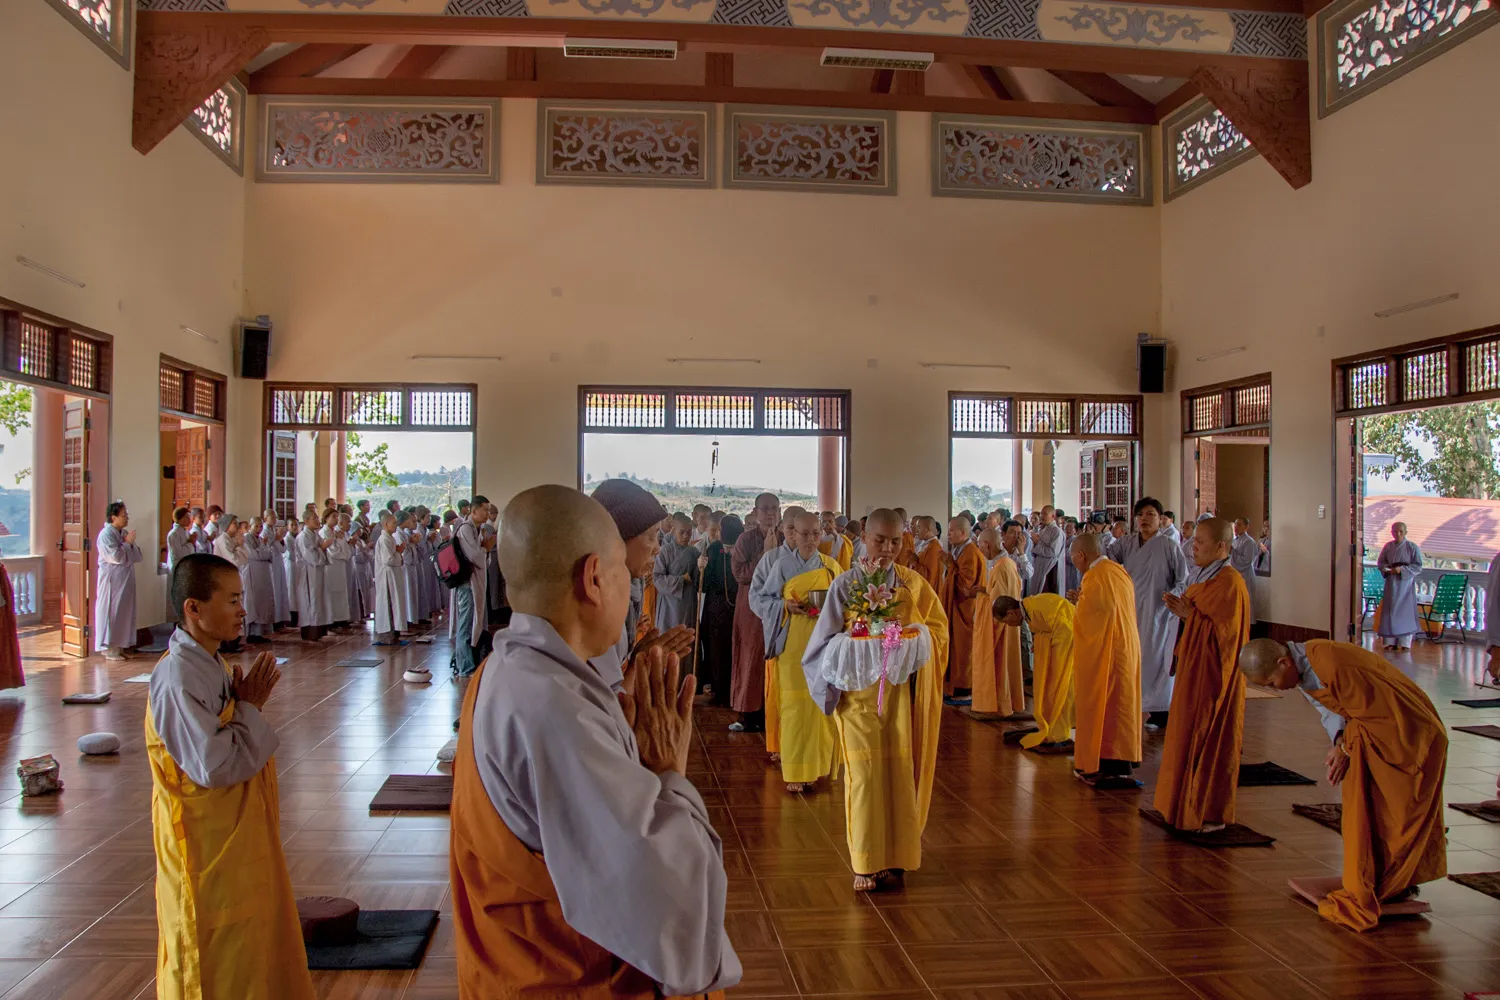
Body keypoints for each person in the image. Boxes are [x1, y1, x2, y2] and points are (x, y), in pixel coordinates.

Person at [450, 486, 740, 997]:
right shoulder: (557, 709)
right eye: (624, 570)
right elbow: (668, 906)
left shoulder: (505, 669)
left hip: (520, 964)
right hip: (570, 976)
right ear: (594, 578)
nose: (633, 580)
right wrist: (668, 772)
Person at [148, 553, 312, 1000]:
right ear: (194, 608)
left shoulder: (209, 662)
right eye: (233, 600)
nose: (243, 610)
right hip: (203, 849)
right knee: (213, 955)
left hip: (232, 839)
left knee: (249, 948)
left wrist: (242, 705)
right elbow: (214, 765)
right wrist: (249, 707)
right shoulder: (178, 677)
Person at [1239, 637, 1447, 931]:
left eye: (1272, 682)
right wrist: (1340, 742)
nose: (1276, 689)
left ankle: (1397, 883)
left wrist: (1347, 749)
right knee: (1372, 809)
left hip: (1410, 735)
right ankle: (1380, 879)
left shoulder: (1331, 662)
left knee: (1400, 812)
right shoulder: (1305, 670)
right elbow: (1334, 710)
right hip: (1379, 737)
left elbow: (1376, 712)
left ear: (1284, 662)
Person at [802, 508, 948, 891]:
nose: (887, 549)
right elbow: (821, 645)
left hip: (899, 698)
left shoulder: (913, 585)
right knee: (865, 776)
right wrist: (854, 644)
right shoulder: (846, 585)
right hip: (857, 699)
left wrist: (917, 638)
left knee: (899, 774)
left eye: (895, 541)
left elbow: (939, 632)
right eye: (880, 540)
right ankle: (865, 862)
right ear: (864, 536)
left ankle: (897, 857)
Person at [1155, 518, 1250, 834]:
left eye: (1200, 542)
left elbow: (1226, 639)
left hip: (1213, 679)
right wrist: (1186, 615)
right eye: (1193, 541)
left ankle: (1206, 810)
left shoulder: (1230, 584)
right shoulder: (1205, 578)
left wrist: (1189, 615)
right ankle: (1180, 804)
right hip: (1193, 671)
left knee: (1207, 738)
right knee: (1184, 734)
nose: (1193, 547)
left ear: (1221, 546)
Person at [752, 511, 841, 793]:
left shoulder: (831, 566)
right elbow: (762, 599)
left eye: (816, 533)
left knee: (821, 705)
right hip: (791, 643)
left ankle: (818, 767)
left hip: (823, 643)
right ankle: (795, 771)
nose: (810, 540)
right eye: (804, 534)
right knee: (793, 706)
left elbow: (845, 602)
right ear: (792, 534)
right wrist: (784, 606)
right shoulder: (780, 565)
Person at [1108, 498, 1189, 730]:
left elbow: (1183, 578)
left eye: (1150, 514)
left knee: (1155, 658)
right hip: (1129, 609)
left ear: (1160, 519)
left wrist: (1173, 596)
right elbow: (1107, 561)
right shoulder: (1126, 543)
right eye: (1141, 514)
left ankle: (1158, 709)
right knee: (1129, 656)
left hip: (1158, 612)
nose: (1145, 519)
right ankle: (1130, 704)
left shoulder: (1168, 545)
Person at [1071, 531, 1142, 788]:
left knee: (1105, 705)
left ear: (1081, 555)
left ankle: (1104, 763)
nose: (1073, 562)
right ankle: (1120, 762)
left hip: (1107, 652)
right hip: (1125, 647)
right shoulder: (1116, 570)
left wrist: (1079, 607)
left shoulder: (1096, 576)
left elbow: (1094, 616)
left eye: (1073, 557)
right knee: (1121, 705)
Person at [993, 592, 1073, 749]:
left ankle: (1058, 733)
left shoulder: (1036, 608)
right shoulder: (1031, 609)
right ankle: (1049, 726)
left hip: (1067, 646)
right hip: (1062, 643)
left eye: (1006, 621)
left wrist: (1048, 647)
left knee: (1058, 689)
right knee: (1048, 689)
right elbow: (1047, 630)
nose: (1008, 625)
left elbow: (1066, 628)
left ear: (1012, 613)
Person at [730, 492, 781, 733]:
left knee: (774, 657)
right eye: (766, 509)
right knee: (750, 656)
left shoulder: (785, 537)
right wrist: (765, 553)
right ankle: (748, 712)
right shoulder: (745, 539)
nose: (770, 513)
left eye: (775, 508)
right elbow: (739, 574)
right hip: (750, 608)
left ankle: (773, 711)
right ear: (756, 511)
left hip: (778, 606)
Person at [973, 527, 1025, 718]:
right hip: (1007, 625)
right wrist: (985, 590)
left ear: (986, 545)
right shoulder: (1005, 564)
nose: (980, 550)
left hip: (1001, 625)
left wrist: (981, 595)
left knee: (999, 665)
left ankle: (997, 705)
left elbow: (999, 604)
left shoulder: (1002, 567)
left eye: (980, 546)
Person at [698, 515, 742, 706]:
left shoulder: (743, 547)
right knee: (716, 650)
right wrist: (701, 568)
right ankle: (719, 691)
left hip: (738, 606)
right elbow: (704, 584)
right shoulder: (714, 549)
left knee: (735, 649)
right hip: (716, 608)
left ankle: (736, 690)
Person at [944, 516, 988, 702]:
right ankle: (955, 686)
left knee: (963, 649)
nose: (948, 534)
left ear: (963, 532)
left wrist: (950, 566)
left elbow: (965, 587)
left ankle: (964, 688)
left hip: (965, 610)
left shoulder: (970, 552)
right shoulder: (961, 550)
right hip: (957, 608)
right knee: (957, 648)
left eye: (952, 530)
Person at [450, 499, 494, 678]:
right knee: (466, 625)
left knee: (475, 623)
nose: (487, 514)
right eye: (485, 510)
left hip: (476, 582)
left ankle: (472, 661)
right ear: (473, 511)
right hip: (467, 584)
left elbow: (484, 561)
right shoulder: (465, 529)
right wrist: (486, 549)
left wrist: (485, 549)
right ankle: (464, 666)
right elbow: (475, 556)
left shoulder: (477, 529)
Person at [95, 500, 142, 660]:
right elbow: (116, 557)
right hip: (112, 581)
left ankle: (120, 646)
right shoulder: (105, 535)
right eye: (124, 515)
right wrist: (127, 544)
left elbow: (137, 556)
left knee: (124, 612)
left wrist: (129, 544)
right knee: (112, 612)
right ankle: (109, 649)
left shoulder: (123, 533)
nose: (127, 517)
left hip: (125, 579)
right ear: (113, 517)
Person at [1376, 522, 1423, 650]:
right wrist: (1386, 569)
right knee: (1390, 609)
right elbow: (1381, 562)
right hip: (1391, 581)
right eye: (1395, 531)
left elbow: (1418, 566)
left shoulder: (1412, 547)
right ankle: (1389, 641)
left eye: (1401, 531)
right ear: (1391, 532)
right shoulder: (1388, 546)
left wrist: (1401, 569)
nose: (1398, 534)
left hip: (1405, 583)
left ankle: (1404, 642)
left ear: (1405, 532)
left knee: (1404, 610)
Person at [654, 513, 700, 631]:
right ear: (674, 530)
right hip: (669, 602)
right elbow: (657, 578)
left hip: (688, 600)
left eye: (689, 532)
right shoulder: (665, 551)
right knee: (669, 632)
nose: (686, 536)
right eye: (682, 532)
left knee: (687, 632)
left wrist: (701, 568)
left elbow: (699, 579)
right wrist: (681, 580)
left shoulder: (694, 552)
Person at [374, 511, 409, 646]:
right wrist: (399, 552)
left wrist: (398, 552)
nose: (396, 525)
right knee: (389, 604)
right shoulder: (384, 539)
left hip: (393, 576)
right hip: (387, 578)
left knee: (395, 604)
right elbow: (388, 559)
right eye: (394, 523)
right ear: (385, 524)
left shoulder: (389, 538)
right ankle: (387, 637)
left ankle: (394, 635)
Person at [295, 509, 331, 642]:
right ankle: (310, 631)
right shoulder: (303, 537)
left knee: (319, 599)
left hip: (317, 573)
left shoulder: (315, 534)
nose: (317, 520)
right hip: (308, 573)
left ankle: (319, 629)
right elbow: (312, 557)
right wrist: (322, 548)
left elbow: (321, 546)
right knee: (310, 600)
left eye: (317, 517)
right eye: (314, 518)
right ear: (306, 521)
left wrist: (323, 547)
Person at [241, 517, 277, 645]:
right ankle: (252, 633)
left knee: (263, 602)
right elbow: (254, 555)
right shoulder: (246, 538)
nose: (259, 529)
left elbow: (270, 554)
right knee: (254, 603)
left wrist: (264, 547)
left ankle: (259, 633)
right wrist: (263, 546)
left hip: (263, 574)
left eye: (260, 526)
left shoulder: (260, 539)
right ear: (250, 526)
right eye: (256, 526)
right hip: (253, 573)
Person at [321, 509, 352, 630]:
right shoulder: (324, 532)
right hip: (331, 566)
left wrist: (342, 546)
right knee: (332, 592)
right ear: (326, 518)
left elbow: (346, 550)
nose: (336, 519)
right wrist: (339, 542)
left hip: (340, 566)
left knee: (341, 591)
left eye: (337, 517)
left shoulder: (337, 532)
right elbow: (333, 551)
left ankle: (341, 618)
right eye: (333, 516)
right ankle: (332, 620)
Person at [1229, 518, 1263, 624]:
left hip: (1245, 575)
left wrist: (1233, 552)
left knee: (1245, 600)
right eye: (1235, 524)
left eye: (1239, 524)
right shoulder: (1235, 540)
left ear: (1246, 527)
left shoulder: (1249, 541)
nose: (1236, 527)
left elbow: (1246, 561)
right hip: (1234, 575)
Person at [1029, 505, 1066, 597]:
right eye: (1041, 514)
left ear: (1053, 516)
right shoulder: (1043, 529)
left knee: (1047, 597)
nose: (1042, 516)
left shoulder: (1056, 531)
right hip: (1039, 566)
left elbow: (1053, 552)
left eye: (1045, 514)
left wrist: (1038, 543)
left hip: (1050, 569)